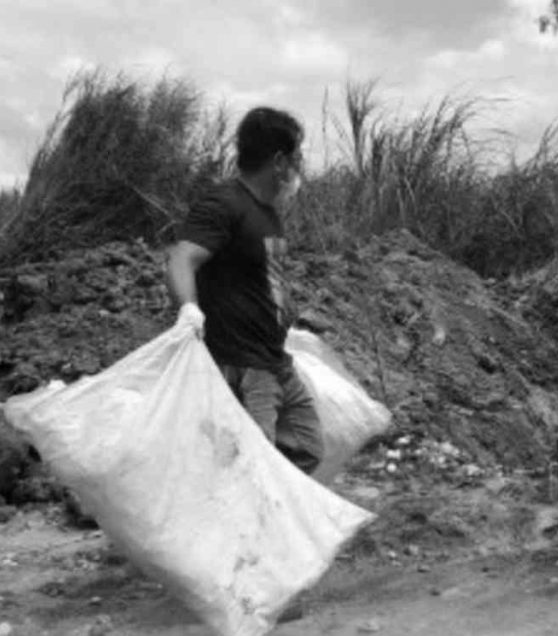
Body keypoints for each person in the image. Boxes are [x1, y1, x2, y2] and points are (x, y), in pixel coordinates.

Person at [166, 106, 321, 622]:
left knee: (305, 448)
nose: (298, 167)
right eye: (295, 156)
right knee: (256, 478)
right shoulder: (224, 203)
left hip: (274, 361)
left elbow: (264, 279)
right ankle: (249, 590)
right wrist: (189, 309)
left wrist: (289, 320)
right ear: (278, 160)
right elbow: (182, 258)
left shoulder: (269, 211)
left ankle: (240, 564)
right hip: (243, 365)